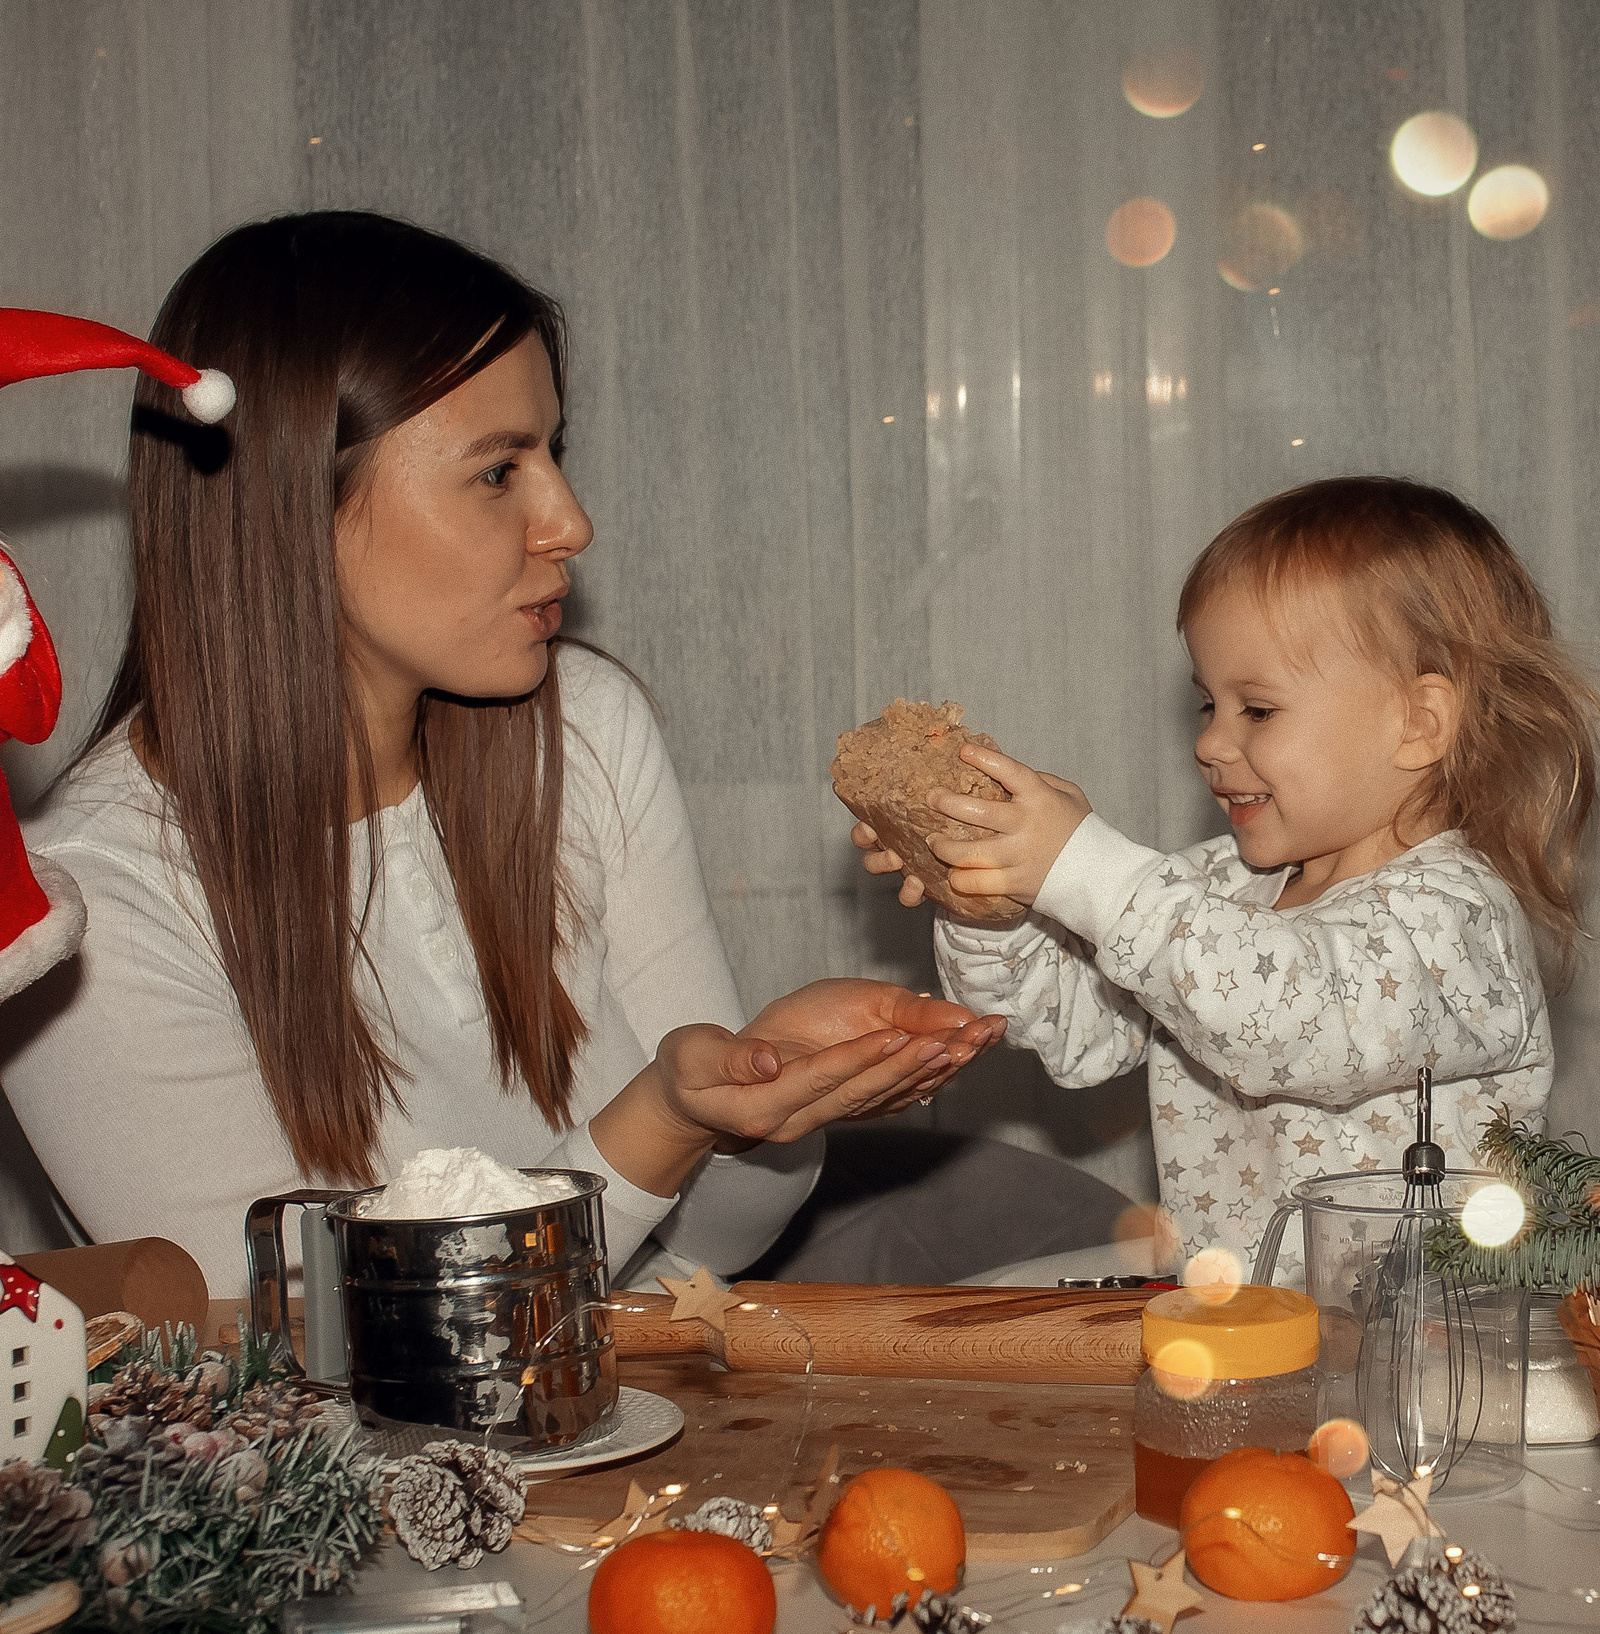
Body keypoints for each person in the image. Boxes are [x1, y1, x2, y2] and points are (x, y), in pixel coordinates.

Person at [0, 211, 1004, 1297]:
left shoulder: (583, 727)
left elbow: (708, 1253)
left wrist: (761, 1096)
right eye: (497, 472)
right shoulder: (73, 913)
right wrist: (660, 1121)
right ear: (295, 508)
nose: (568, 520)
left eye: (553, 453)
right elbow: (306, 1356)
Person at [857, 477, 1600, 1273]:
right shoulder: (1214, 890)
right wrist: (997, 904)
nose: (1212, 744)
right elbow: (1071, 1035)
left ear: (1419, 723)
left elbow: (1279, 1016)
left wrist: (1085, 869)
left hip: (1424, 1360)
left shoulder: (1458, 919)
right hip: (1236, 1336)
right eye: (1205, 706)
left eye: (1257, 710)